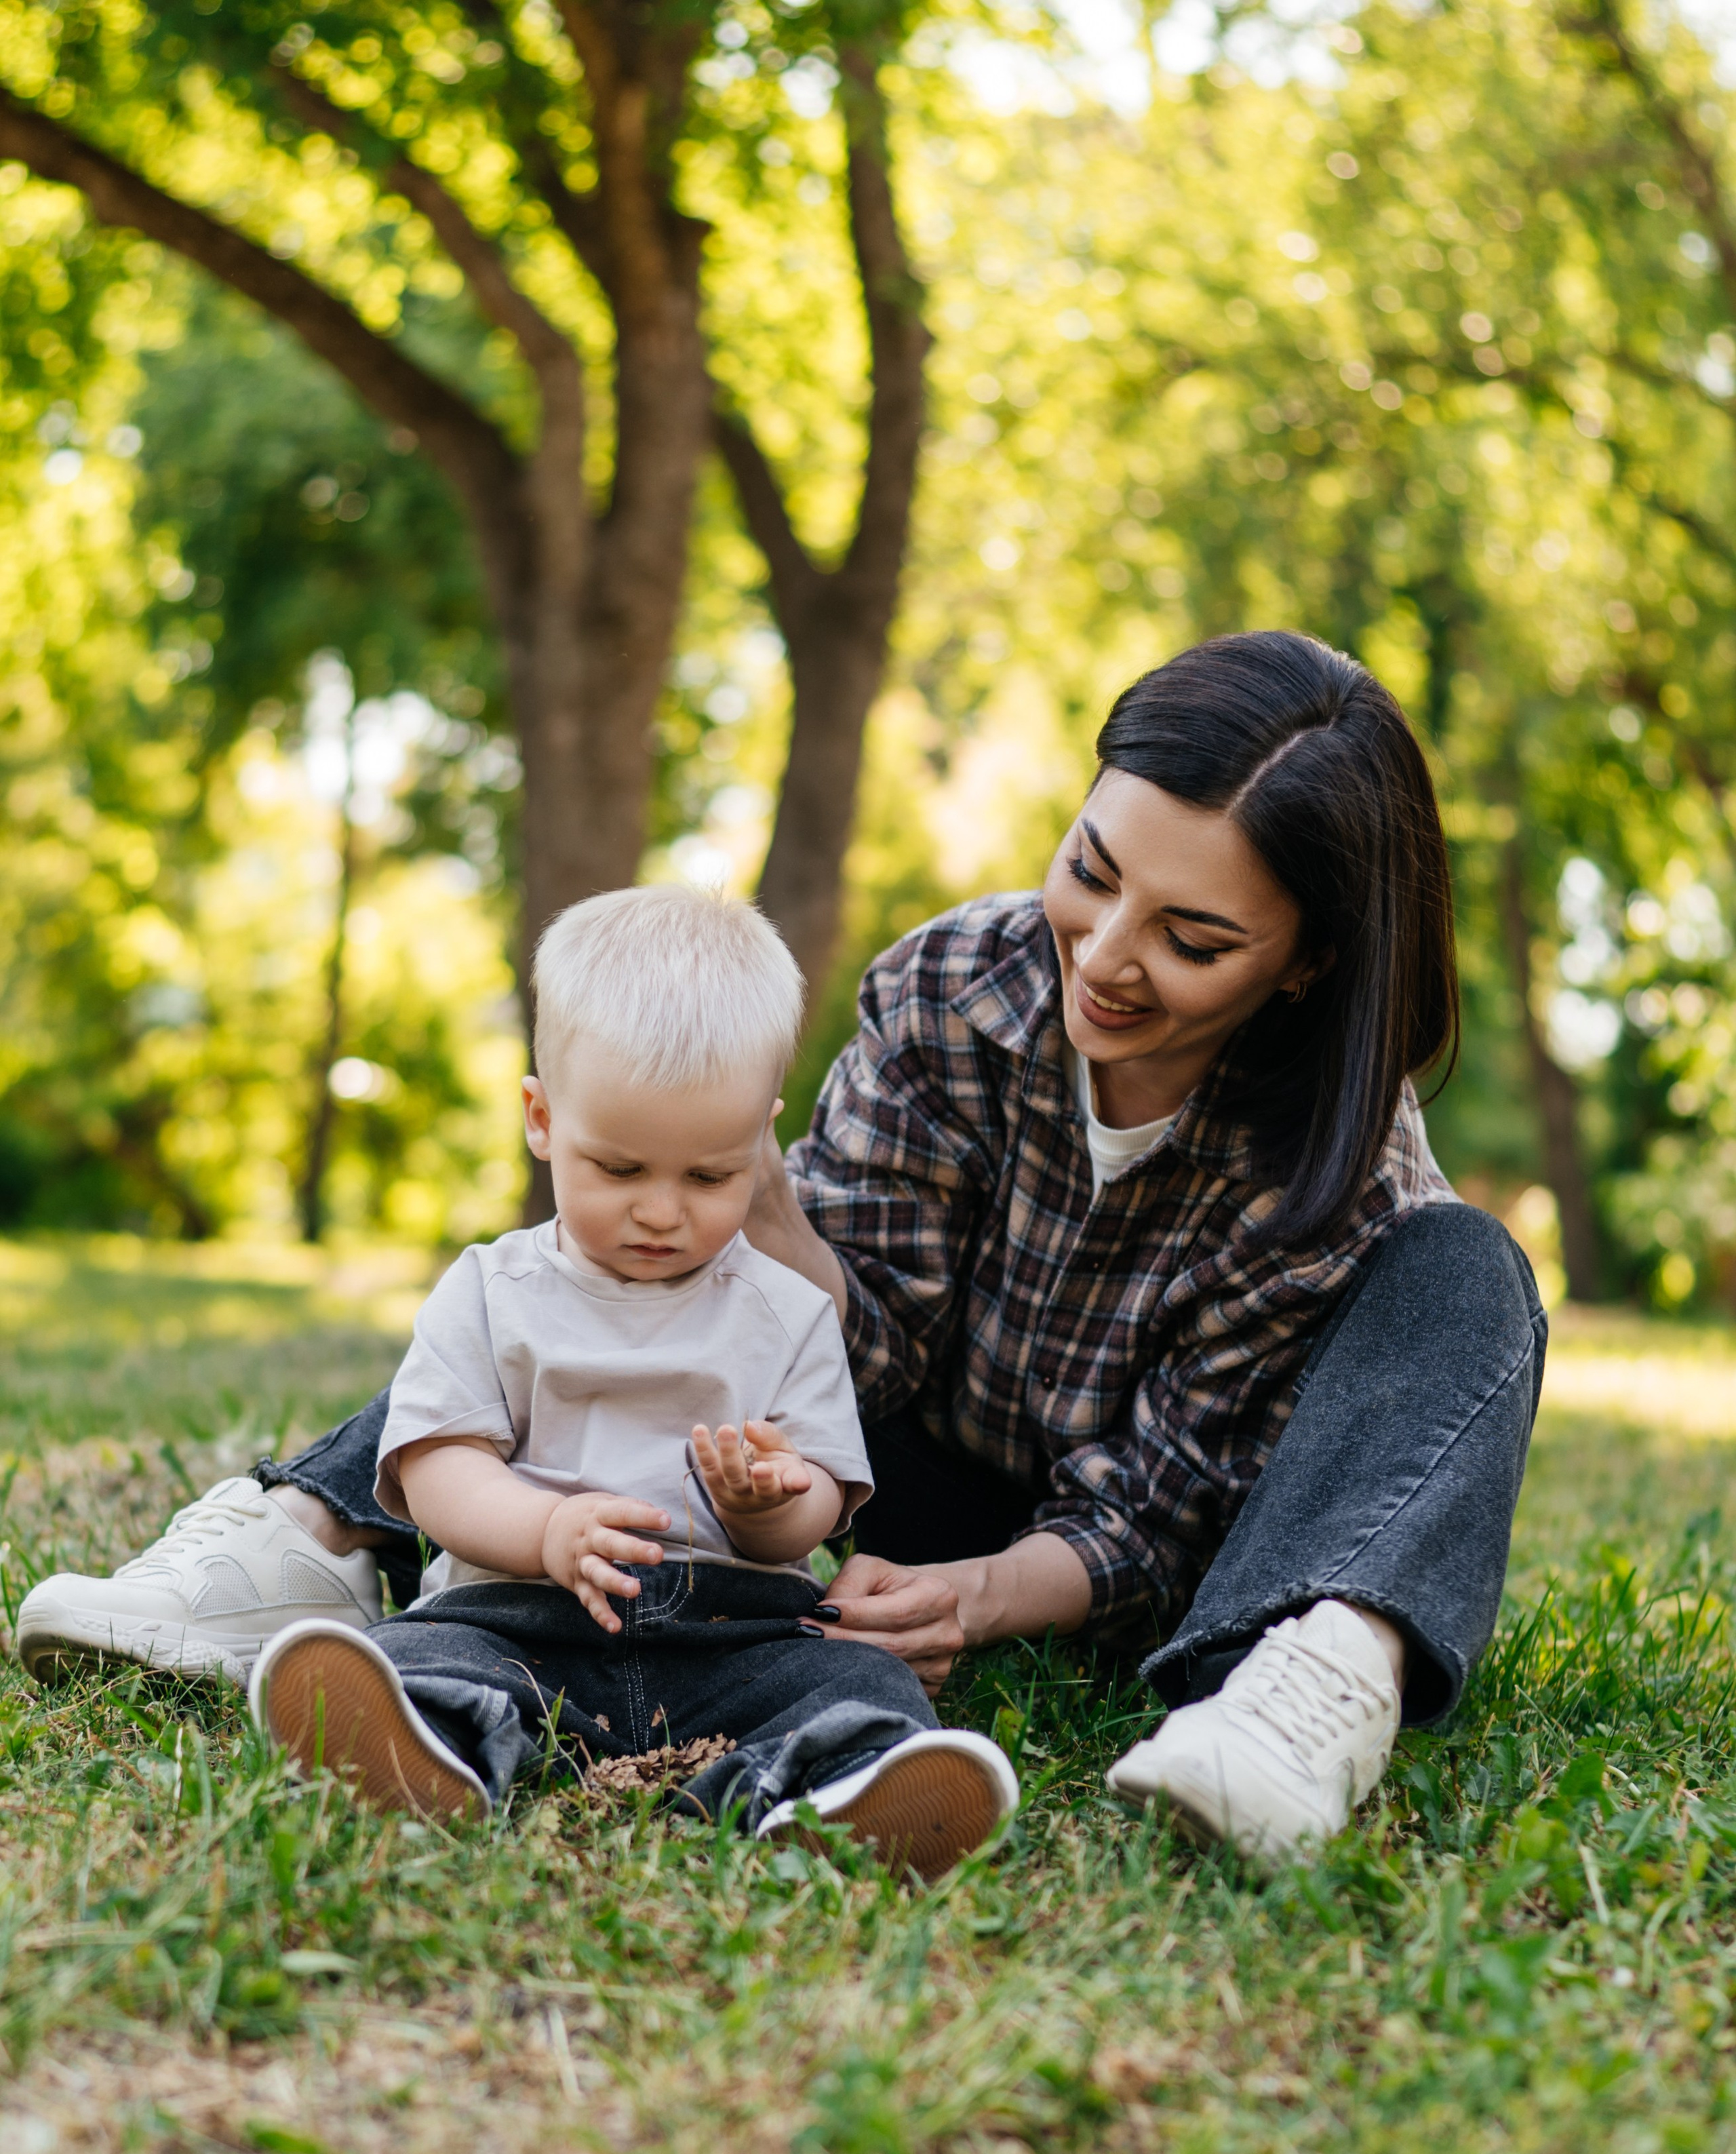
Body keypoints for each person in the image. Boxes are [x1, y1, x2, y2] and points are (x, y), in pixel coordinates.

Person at [21, 631, 1545, 1867]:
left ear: (1308, 962)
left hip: (1111, 1561)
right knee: (601, 1266)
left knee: (1464, 1268)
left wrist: (987, 1596)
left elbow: (1169, 1492)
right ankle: (312, 1547)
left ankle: (1308, 1677)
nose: (1102, 953)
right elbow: (847, 1342)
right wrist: (742, 1204)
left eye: (1192, 940)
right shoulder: (953, 987)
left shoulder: (1339, 1161)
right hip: (862, 1451)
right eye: (1090, 870)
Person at [245, 887, 1019, 1877]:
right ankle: (430, 1751)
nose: (662, 1212)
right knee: (424, 1657)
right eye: (618, 1168)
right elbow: (438, 1471)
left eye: (710, 1177)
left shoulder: (788, 1312)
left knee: (861, 1681)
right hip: (518, 1613)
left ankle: (820, 1795)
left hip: (736, 1631)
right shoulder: (492, 1289)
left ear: (762, 1140)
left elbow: (819, 1510)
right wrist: (544, 1532)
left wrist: (770, 1504)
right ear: (540, 1118)